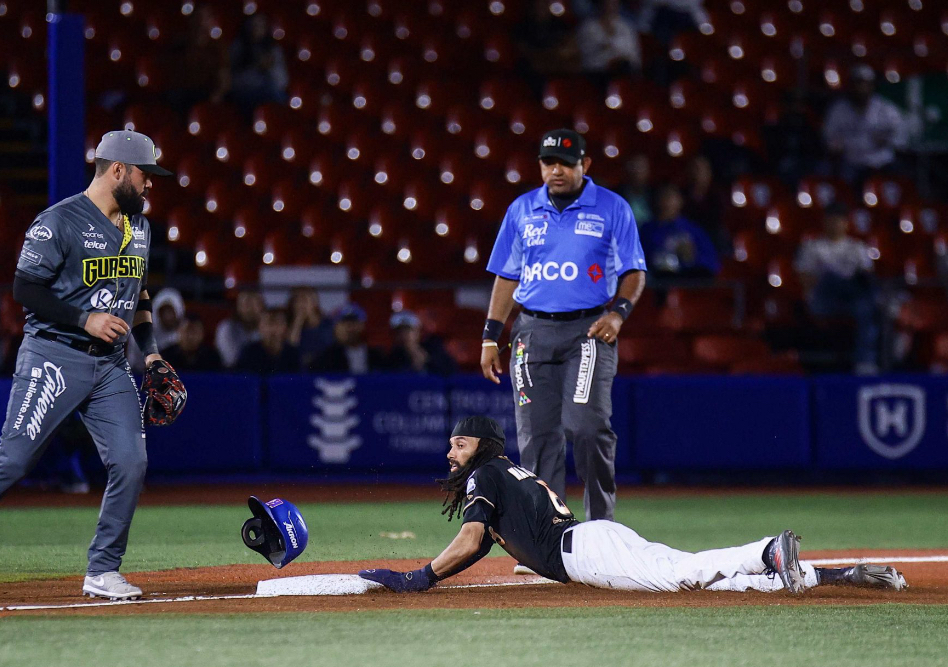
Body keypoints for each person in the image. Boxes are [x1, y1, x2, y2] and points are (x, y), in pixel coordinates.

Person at [0, 130, 179, 601]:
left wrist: (154, 354)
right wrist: (85, 317)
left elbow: (138, 296)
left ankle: (102, 570)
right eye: (145, 174)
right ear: (117, 170)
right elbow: (26, 290)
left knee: (131, 461)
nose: (150, 185)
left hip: (112, 364)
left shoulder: (138, 227)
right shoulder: (58, 222)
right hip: (54, 354)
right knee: (15, 459)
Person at [359, 416, 908, 595]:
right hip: (592, 539)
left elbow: (471, 539)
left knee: (683, 576)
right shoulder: (501, 473)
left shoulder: (486, 474)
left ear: (481, 446)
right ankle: (837, 573)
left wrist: (420, 578)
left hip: (587, 554)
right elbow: (487, 540)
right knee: (699, 581)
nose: (449, 452)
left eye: (459, 443)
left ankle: (767, 550)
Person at [481, 129, 646, 525]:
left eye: (566, 164)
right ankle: (546, 536)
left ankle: (600, 527)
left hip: (588, 329)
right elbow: (506, 277)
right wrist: (490, 335)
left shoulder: (612, 207)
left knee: (587, 426)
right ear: (539, 165)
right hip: (531, 332)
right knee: (537, 438)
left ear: (585, 165)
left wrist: (618, 313)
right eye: (548, 163)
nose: (556, 171)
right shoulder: (521, 210)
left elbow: (634, 270)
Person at [794, 203, 880, 374]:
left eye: (839, 221)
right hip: (823, 301)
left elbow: (868, 276)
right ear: (824, 222)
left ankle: (865, 361)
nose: (835, 224)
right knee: (831, 277)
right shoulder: (812, 247)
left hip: (851, 301)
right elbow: (804, 278)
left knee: (867, 305)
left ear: (846, 223)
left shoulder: (857, 247)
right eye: (831, 220)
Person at [823, 64, 908, 190]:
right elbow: (828, 138)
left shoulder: (885, 109)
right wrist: (834, 145)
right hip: (851, 161)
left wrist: (888, 140)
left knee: (899, 177)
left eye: (865, 84)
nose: (861, 88)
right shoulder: (839, 109)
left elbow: (902, 138)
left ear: (872, 86)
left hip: (881, 163)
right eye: (858, 83)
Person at [642, 184, 721, 280]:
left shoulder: (693, 229)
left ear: (680, 201)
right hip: (658, 283)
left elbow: (712, 264)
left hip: (688, 282)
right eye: (662, 197)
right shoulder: (646, 230)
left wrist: (692, 256)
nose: (666, 202)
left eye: (670, 197)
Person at [213, 13, 288, 112]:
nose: (256, 29)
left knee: (279, 97)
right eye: (253, 25)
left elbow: (282, 82)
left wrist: (270, 68)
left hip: (268, 93)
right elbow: (231, 81)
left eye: (260, 25)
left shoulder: (273, 50)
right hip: (244, 93)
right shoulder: (237, 48)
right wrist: (256, 68)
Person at [577, 0, 642, 86]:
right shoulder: (588, 28)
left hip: (624, 71)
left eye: (613, 2)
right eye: (607, 2)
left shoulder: (626, 27)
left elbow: (633, 55)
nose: (610, 5)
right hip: (598, 74)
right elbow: (588, 57)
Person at [309, 303, 386, 374]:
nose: (350, 328)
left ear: (362, 326)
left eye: (354, 322)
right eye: (344, 323)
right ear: (335, 328)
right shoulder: (327, 357)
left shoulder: (375, 355)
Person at [681, 155, 729, 256]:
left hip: (711, 236)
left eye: (700, 169)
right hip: (686, 236)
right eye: (693, 168)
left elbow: (717, 221)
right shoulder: (682, 194)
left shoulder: (717, 195)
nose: (696, 173)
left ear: (709, 173)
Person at [385, 311, 457, 376]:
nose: (404, 335)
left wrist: (428, 361)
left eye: (408, 330)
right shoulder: (392, 358)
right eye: (399, 332)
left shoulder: (434, 349)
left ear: (418, 332)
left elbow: (451, 371)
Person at [235, 307, 301, 375]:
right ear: (259, 327)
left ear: (285, 327)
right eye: (269, 323)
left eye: (278, 323)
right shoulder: (248, 352)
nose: (273, 328)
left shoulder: (293, 353)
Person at [215, 288, 264, 369]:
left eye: (254, 304)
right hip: (235, 376)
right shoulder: (226, 328)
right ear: (238, 307)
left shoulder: (267, 329)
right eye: (246, 303)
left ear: (261, 306)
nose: (250, 309)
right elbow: (231, 360)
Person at [286, 286, 333, 367]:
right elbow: (290, 348)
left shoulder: (328, 324)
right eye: (297, 301)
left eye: (304, 300)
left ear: (315, 302)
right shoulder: (288, 324)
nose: (301, 304)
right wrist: (298, 321)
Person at [616, 154, 654, 226]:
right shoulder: (617, 195)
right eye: (633, 167)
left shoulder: (655, 195)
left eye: (641, 168)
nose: (637, 172)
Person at [152, 287, 185, 353]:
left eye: (170, 312)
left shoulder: (184, 338)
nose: (167, 316)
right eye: (163, 312)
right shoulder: (145, 335)